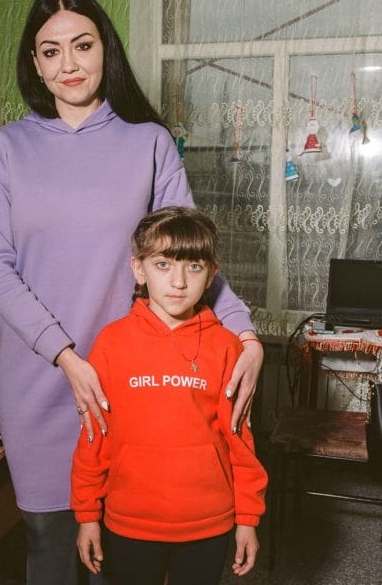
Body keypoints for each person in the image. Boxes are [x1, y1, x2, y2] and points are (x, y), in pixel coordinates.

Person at [0, 0, 264, 584]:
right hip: (39, 372)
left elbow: (187, 253)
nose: (69, 64)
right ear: (34, 62)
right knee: (49, 538)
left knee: (119, 548)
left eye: (82, 46)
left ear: (106, 49)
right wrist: (63, 354)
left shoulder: (148, 143)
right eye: (50, 52)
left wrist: (248, 335)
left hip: (131, 374)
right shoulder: (5, 148)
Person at [72, 207, 267, 584]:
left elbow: (241, 440)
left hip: (208, 523)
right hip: (129, 522)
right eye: (163, 264)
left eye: (193, 267)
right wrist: (86, 515)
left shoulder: (228, 348)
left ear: (212, 273)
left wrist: (247, 519)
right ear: (139, 269)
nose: (178, 281)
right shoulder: (111, 344)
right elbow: (93, 436)